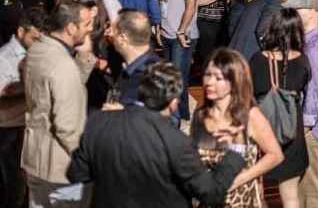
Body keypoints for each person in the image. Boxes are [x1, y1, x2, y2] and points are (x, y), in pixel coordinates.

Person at [67, 61, 247, 208]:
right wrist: (236, 151)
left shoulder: (98, 122)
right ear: (174, 103)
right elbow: (211, 193)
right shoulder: (177, 142)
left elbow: (76, 175)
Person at [23, 0, 96, 208]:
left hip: (36, 159)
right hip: (61, 168)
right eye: (87, 24)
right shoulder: (63, 65)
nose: (91, 29)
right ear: (71, 27)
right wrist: (86, 161)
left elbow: (64, 88)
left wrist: (84, 57)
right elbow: (67, 126)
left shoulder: (38, 50)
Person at [192, 48, 284, 208]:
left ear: (234, 81)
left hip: (242, 200)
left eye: (218, 78)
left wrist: (240, 179)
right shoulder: (200, 115)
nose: (209, 82)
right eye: (207, 75)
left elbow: (275, 155)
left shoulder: (249, 115)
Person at [250, 8, 311, 208]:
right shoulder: (302, 61)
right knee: (291, 196)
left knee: (259, 194)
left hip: (261, 129)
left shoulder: (257, 60)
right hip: (291, 129)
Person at [282, 0, 318, 208]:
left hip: (310, 126)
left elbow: (317, 94)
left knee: (309, 189)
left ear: (314, 11)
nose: (294, 12)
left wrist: (309, 129)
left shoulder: (316, 49)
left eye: (299, 9)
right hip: (310, 125)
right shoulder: (313, 41)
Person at [0, 7, 45, 208]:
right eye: (35, 38)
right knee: (14, 188)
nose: (39, 44)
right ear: (20, 32)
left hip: (29, 127)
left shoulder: (38, 54)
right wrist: (28, 87)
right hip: (9, 130)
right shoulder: (4, 58)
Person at [159, 0, 199, 122]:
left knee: (177, 78)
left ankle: (181, 118)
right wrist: (159, 26)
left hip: (181, 37)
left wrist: (182, 30)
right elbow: (164, 2)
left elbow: (191, 6)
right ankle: (176, 115)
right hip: (166, 33)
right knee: (170, 77)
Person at [229, 0, 298, 61]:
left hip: (238, 54)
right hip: (248, 57)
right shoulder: (276, 3)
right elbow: (262, 32)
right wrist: (275, 53)